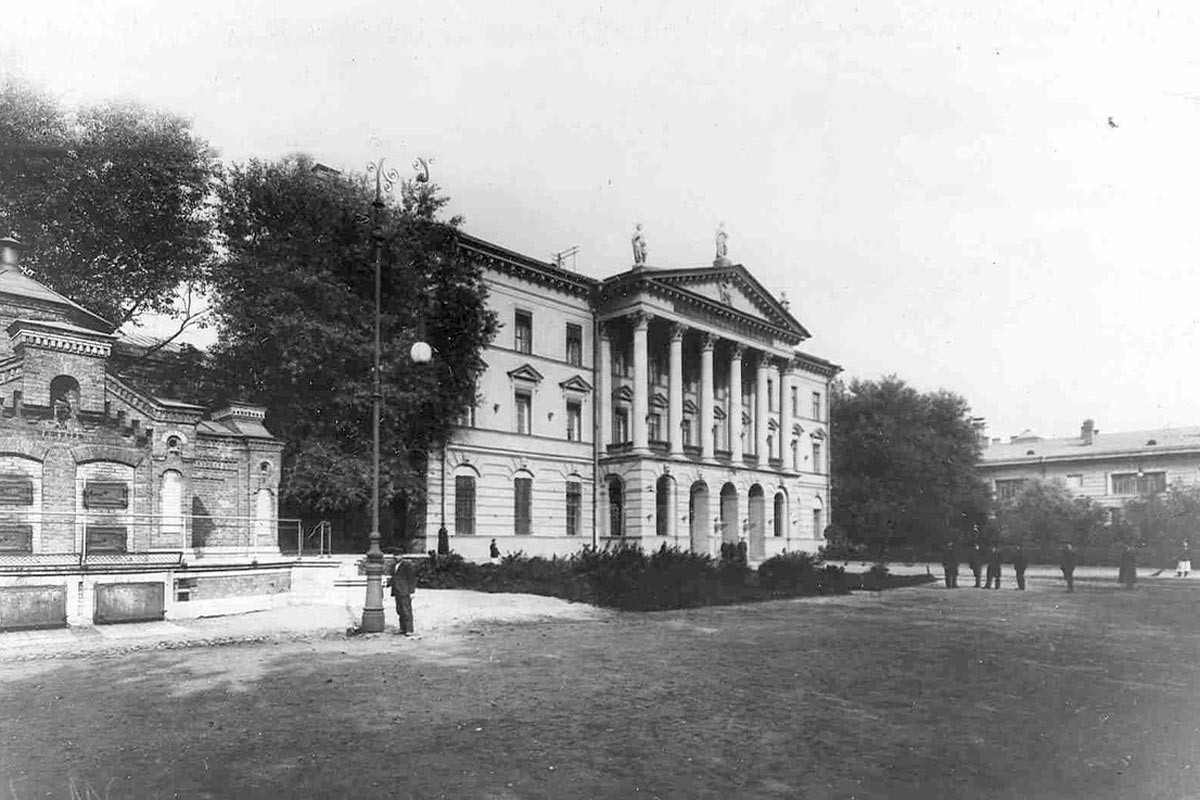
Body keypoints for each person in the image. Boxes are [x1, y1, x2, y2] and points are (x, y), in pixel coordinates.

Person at [389, 555, 418, 636]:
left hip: (405, 590)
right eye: (394, 555)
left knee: (406, 610)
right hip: (397, 590)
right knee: (399, 610)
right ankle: (402, 628)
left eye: (398, 555)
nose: (395, 557)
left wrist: (412, 591)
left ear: (402, 556)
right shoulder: (394, 565)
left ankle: (409, 629)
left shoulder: (407, 565)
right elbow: (394, 577)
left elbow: (411, 578)